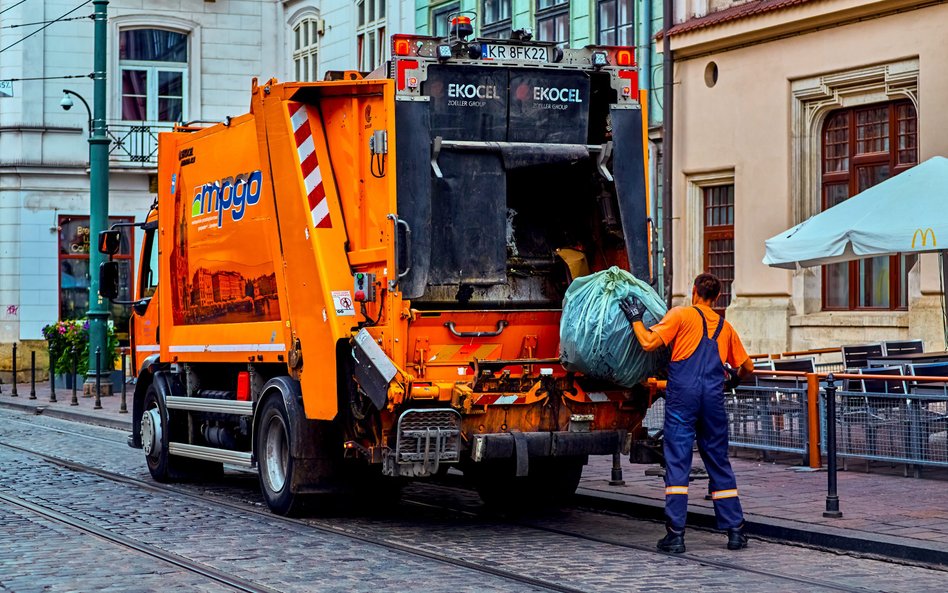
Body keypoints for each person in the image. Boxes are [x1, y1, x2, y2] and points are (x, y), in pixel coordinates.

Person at [620, 272, 754, 553]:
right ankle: (735, 531)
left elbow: (647, 342)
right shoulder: (725, 327)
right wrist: (734, 380)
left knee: (678, 462)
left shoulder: (680, 315)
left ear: (694, 291)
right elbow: (747, 367)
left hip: (683, 399)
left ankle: (676, 534)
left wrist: (635, 318)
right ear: (717, 298)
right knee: (718, 461)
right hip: (713, 401)